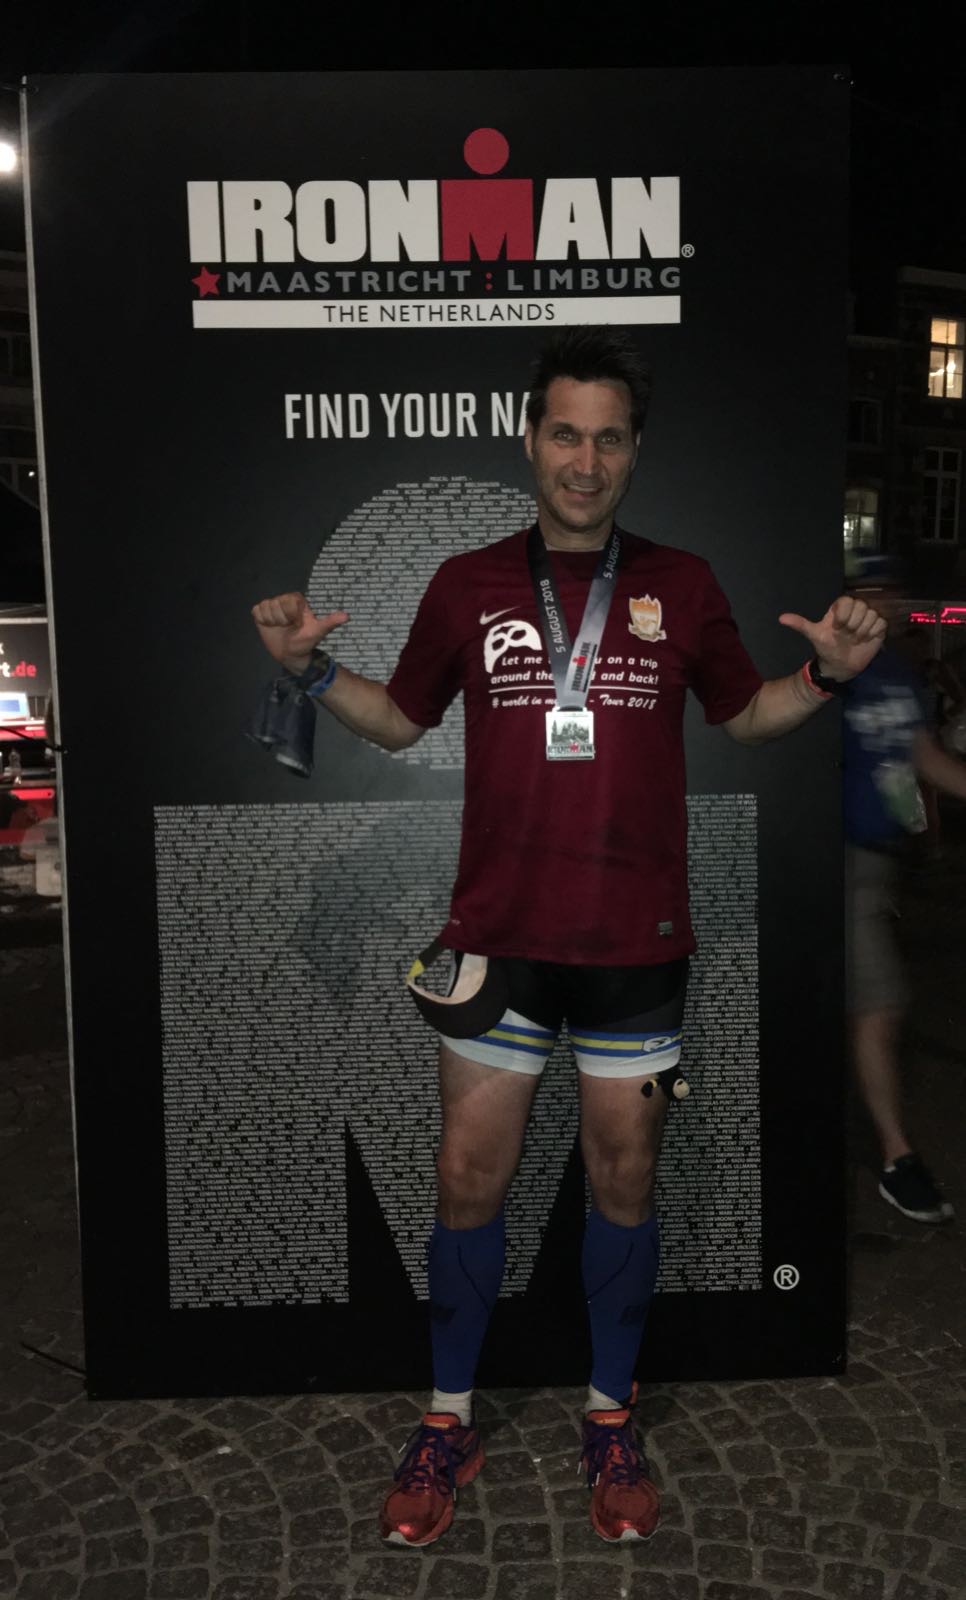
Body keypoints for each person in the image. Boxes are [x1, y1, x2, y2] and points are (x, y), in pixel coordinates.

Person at [252, 328, 885, 1548]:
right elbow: (400, 720)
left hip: (638, 946)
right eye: (565, 434)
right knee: (465, 1178)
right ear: (529, 440)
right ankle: (447, 1418)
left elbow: (748, 714)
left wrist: (829, 680)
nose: (585, 461)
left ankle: (609, 1414)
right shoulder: (467, 582)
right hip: (499, 939)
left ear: (634, 451)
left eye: (608, 438)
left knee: (625, 1177)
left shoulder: (683, 582)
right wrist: (313, 670)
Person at [843, 551, 966, 1224]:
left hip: (877, 862)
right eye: (869, 589)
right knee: (881, 1004)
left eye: (891, 590)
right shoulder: (834, 665)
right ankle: (896, 1157)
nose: (882, 602)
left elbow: (926, 760)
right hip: (835, 863)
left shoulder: (898, 673)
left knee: (871, 1006)